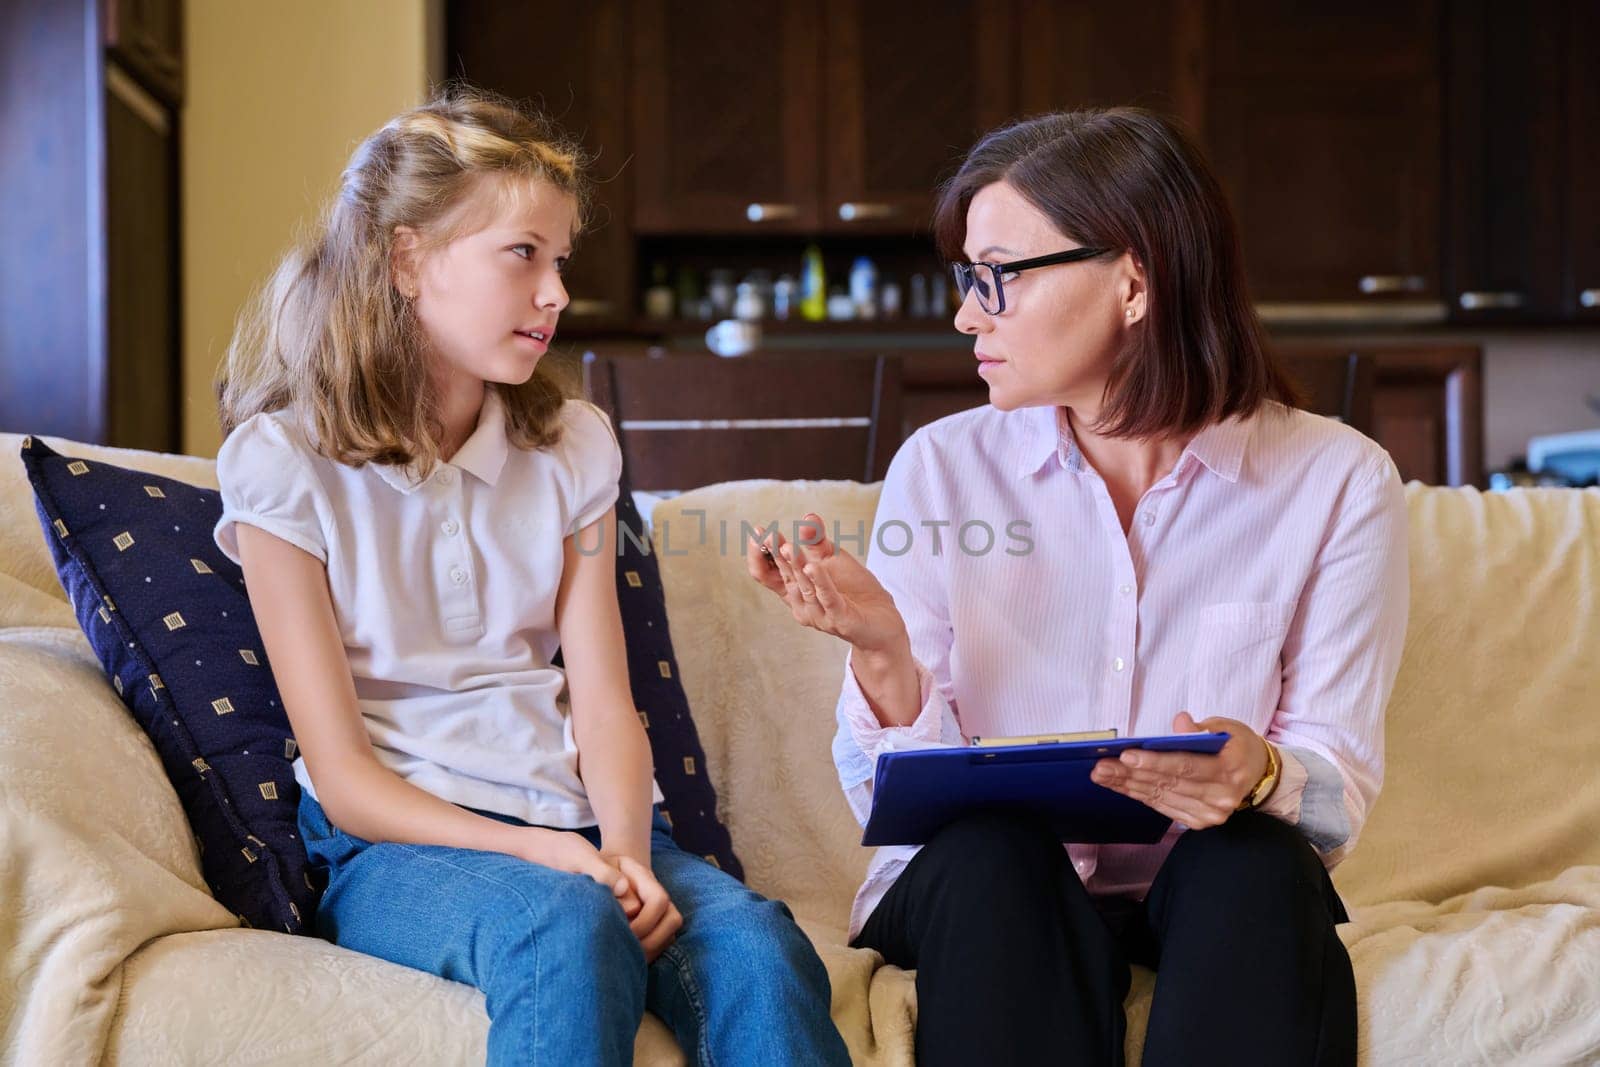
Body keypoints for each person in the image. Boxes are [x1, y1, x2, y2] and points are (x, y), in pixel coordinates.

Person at [745, 107, 1408, 1066]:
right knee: (993, 855)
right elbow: (890, 808)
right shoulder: (942, 468)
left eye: (998, 277)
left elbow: (1335, 788)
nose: (968, 313)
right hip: (987, 886)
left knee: (1258, 862)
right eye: (966, 279)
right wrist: (882, 649)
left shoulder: (1336, 481)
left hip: (1201, 883)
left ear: (1134, 281)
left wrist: (1259, 771)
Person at [213, 87, 849, 1067]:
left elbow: (603, 703)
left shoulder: (570, 444)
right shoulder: (281, 461)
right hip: (398, 844)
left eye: (561, 260)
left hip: (581, 820)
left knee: (762, 949)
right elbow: (341, 777)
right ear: (407, 258)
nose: (556, 292)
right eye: (523, 255)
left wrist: (627, 852)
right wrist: (545, 856)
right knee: (562, 924)